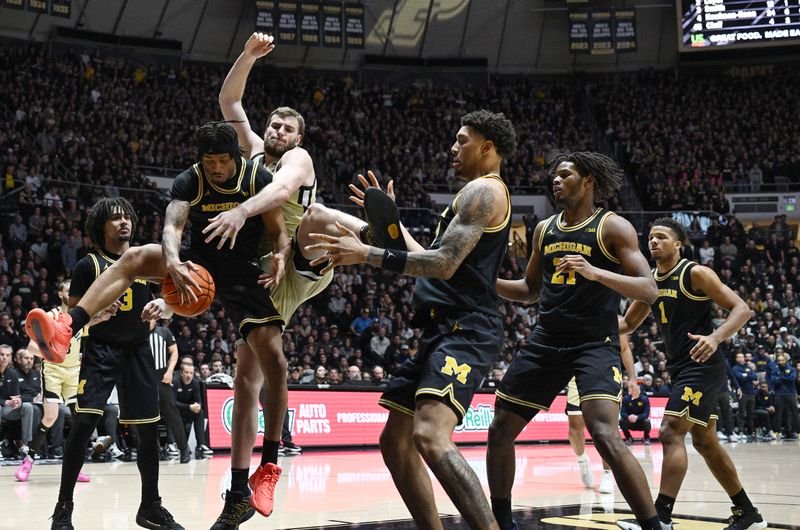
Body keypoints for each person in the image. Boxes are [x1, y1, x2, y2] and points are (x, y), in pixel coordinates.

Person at [24, 123, 289, 525]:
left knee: (275, 363)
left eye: (222, 161)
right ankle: (67, 327)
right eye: (209, 161)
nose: (215, 168)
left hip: (242, 273)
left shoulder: (258, 178)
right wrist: (174, 264)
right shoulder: (190, 181)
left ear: (236, 158)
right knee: (133, 260)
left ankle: (267, 468)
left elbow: (277, 232)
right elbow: (171, 227)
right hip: (195, 266)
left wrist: (282, 255)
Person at [306, 110, 516, 529]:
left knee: (429, 435)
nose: (453, 149)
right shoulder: (469, 196)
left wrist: (368, 253)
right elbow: (427, 254)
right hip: (442, 327)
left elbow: (443, 264)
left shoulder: (485, 192)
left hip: (467, 328)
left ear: (487, 147)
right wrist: (392, 226)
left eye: (462, 141)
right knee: (395, 442)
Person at [486, 151, 662, 530]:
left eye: (565, 174)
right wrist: (488, 284)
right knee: (500, 429)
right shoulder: (544, 229)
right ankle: (500, 524)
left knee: (603, 433)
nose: (556, 180)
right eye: (554, 175)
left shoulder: (614, 228)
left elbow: (649, 289)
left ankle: (652, 525)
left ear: (588, 182)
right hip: (547, 340)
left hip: (594, 343)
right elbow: (530, 291)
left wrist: (596, 272)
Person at [25, 197, 184, 529]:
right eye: (115, 218)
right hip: (101, 351)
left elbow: (173, 295)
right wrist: (96, 317)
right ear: (101, 226)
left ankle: (150, 506)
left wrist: (160, 305)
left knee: (147, 432)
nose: (123, 221)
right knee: (82, 427)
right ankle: (63, 509)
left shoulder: (143, 261)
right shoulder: (89, 265)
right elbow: (74, 320)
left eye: (127, 216)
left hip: (138, 350)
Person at [618, 217, 766, 530]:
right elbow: (627, 325)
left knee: (671, 431)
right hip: (681, 368)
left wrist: (715, 337)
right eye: (651, 238)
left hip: (702, 364)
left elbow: (742, 309)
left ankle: (661, 518)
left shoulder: (694, 272)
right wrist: (582, 319)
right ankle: (748, 513)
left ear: (678, 244)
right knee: (705, 442)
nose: (653, 242)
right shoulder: (651, 282)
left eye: (661, 237)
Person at [15, 280, 100, 482]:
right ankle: (28, 460)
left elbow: (95, 323)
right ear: (60, 293)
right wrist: (51, 354)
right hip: (53, 370)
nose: (71, 293)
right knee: (51, 417)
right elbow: (31, 348)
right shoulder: (52, 316)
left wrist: (107, 314)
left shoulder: (80, 318)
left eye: (73, 290)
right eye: (67, 290)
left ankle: (74, 467)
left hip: (73, 373)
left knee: (79, 421)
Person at [567, 334, 639, 494]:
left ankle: (607, 474)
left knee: (605, 430)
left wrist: (632, 378)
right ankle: (582, 461)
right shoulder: (575, 316)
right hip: (578, 372)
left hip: (607, 374)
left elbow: (625, 348)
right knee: (575, 431)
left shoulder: (612, 319)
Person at [145, 316, 191, 463]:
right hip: (144, 377)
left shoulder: (164, 332)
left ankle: (184, 449)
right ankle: (154, 450)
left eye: (150, 319)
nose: (147, 322)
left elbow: (174, 352)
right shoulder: (138, 333)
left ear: (155, 319)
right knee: (147, 415)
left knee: (171, 413)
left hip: (161, 375)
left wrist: (170, 371)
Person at [174, 364, 211, 454]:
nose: (188, 375)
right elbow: (172, 402)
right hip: (176, 410)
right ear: (181, 373)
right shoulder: (175, 381)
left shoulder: (195, 383)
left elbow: (198, 400)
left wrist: (197, 406)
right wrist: (189, 407)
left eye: (191, 373)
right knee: (172, 411)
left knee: (200, 412)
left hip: (188, 410)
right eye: (186, 372)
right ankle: (172, 444)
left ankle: (201, 444)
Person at [769, 353, 800, 438]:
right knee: (778, 414)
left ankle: (798, 432)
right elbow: (773, 381)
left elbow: (792, 378)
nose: (780, 362)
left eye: (782, 360)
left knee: (795, 413)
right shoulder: (775, 370)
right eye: (779, 360)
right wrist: (785, 378)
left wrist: (780, 378)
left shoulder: (792, 369)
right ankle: (776, 432)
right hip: (779, 394)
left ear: (786, 361)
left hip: (790, 394)